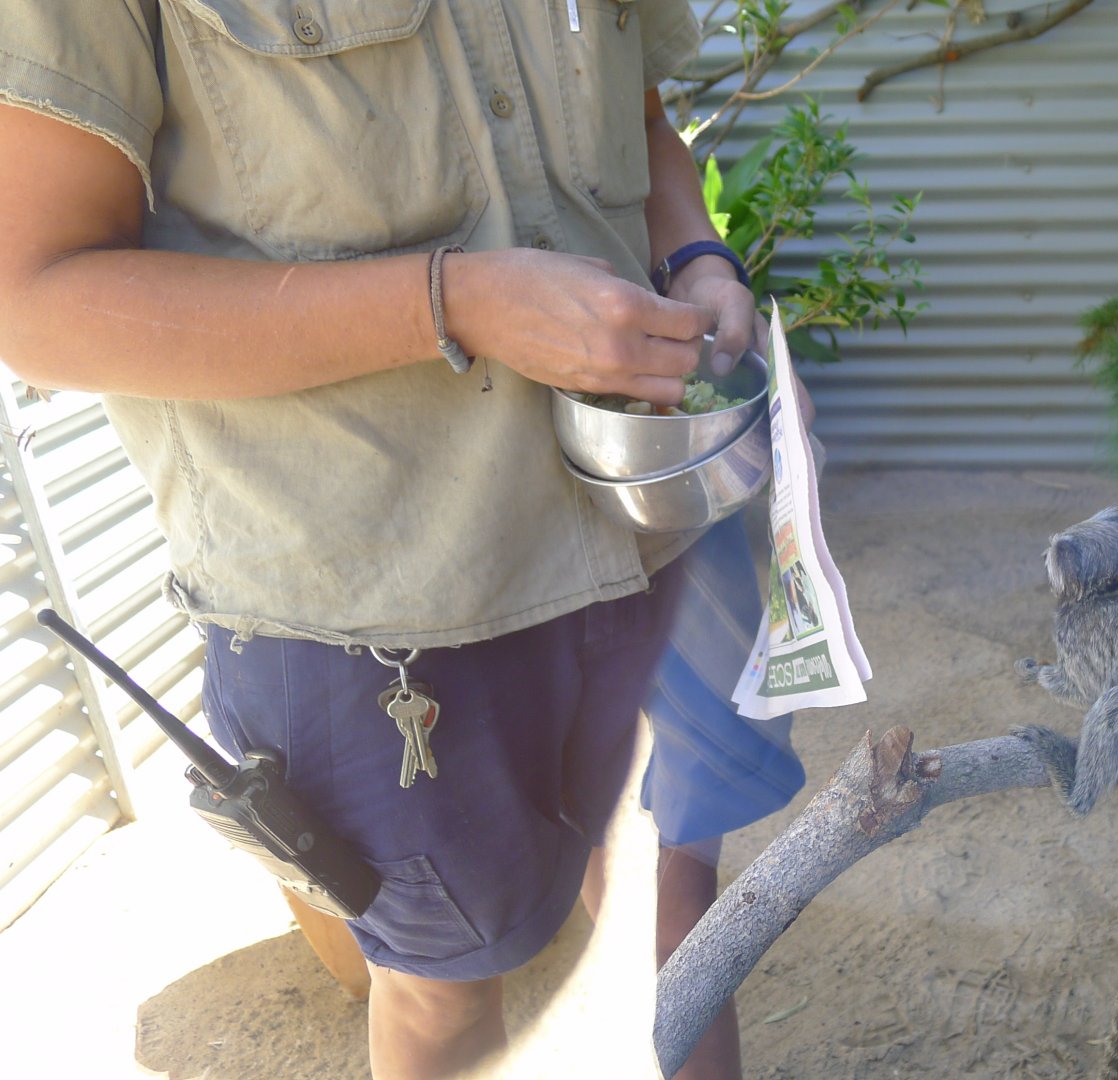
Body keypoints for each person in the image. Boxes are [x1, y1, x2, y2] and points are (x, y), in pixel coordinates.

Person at [0, 3, 805, 1077]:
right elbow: (35, 300)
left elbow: (638, 111)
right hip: (375, 596)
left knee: (676, 910)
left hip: (650, 514)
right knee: (442, 987)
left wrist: (697, 253)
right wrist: (454, 300)